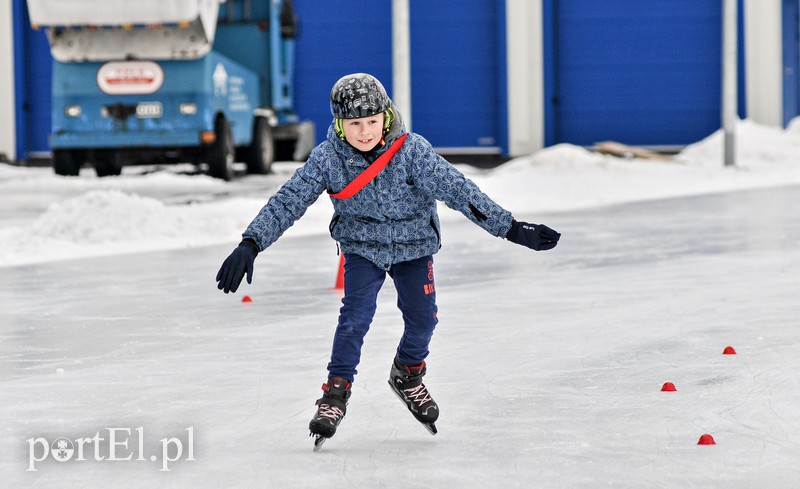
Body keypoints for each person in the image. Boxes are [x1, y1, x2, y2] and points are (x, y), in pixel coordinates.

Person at [215, 73, 560, 446]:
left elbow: (461, 191)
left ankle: (408, 375)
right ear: (340, 125)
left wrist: (511, 229)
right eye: (355, 124)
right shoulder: (329, 158)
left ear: (386, 117)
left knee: (424, 318)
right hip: (362, 246)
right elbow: (289, 200)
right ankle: (335, 394)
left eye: (372, 121)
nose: (364, 131)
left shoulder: (413, 152)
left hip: (414, 247)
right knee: (354, 318)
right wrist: (252, 242)